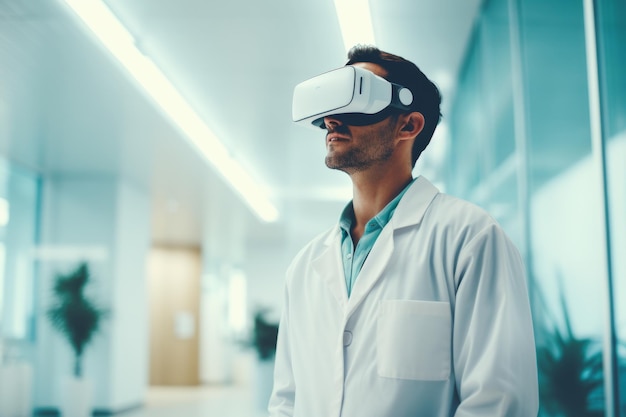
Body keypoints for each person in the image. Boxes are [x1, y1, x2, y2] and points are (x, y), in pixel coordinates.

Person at [268, 45, 538, 417]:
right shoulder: (304, 266)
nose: (331, 119)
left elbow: (500, 403)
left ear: (408, 125)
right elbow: (286, 400)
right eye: (331, 105)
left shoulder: (470, 239)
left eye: (356, 97)